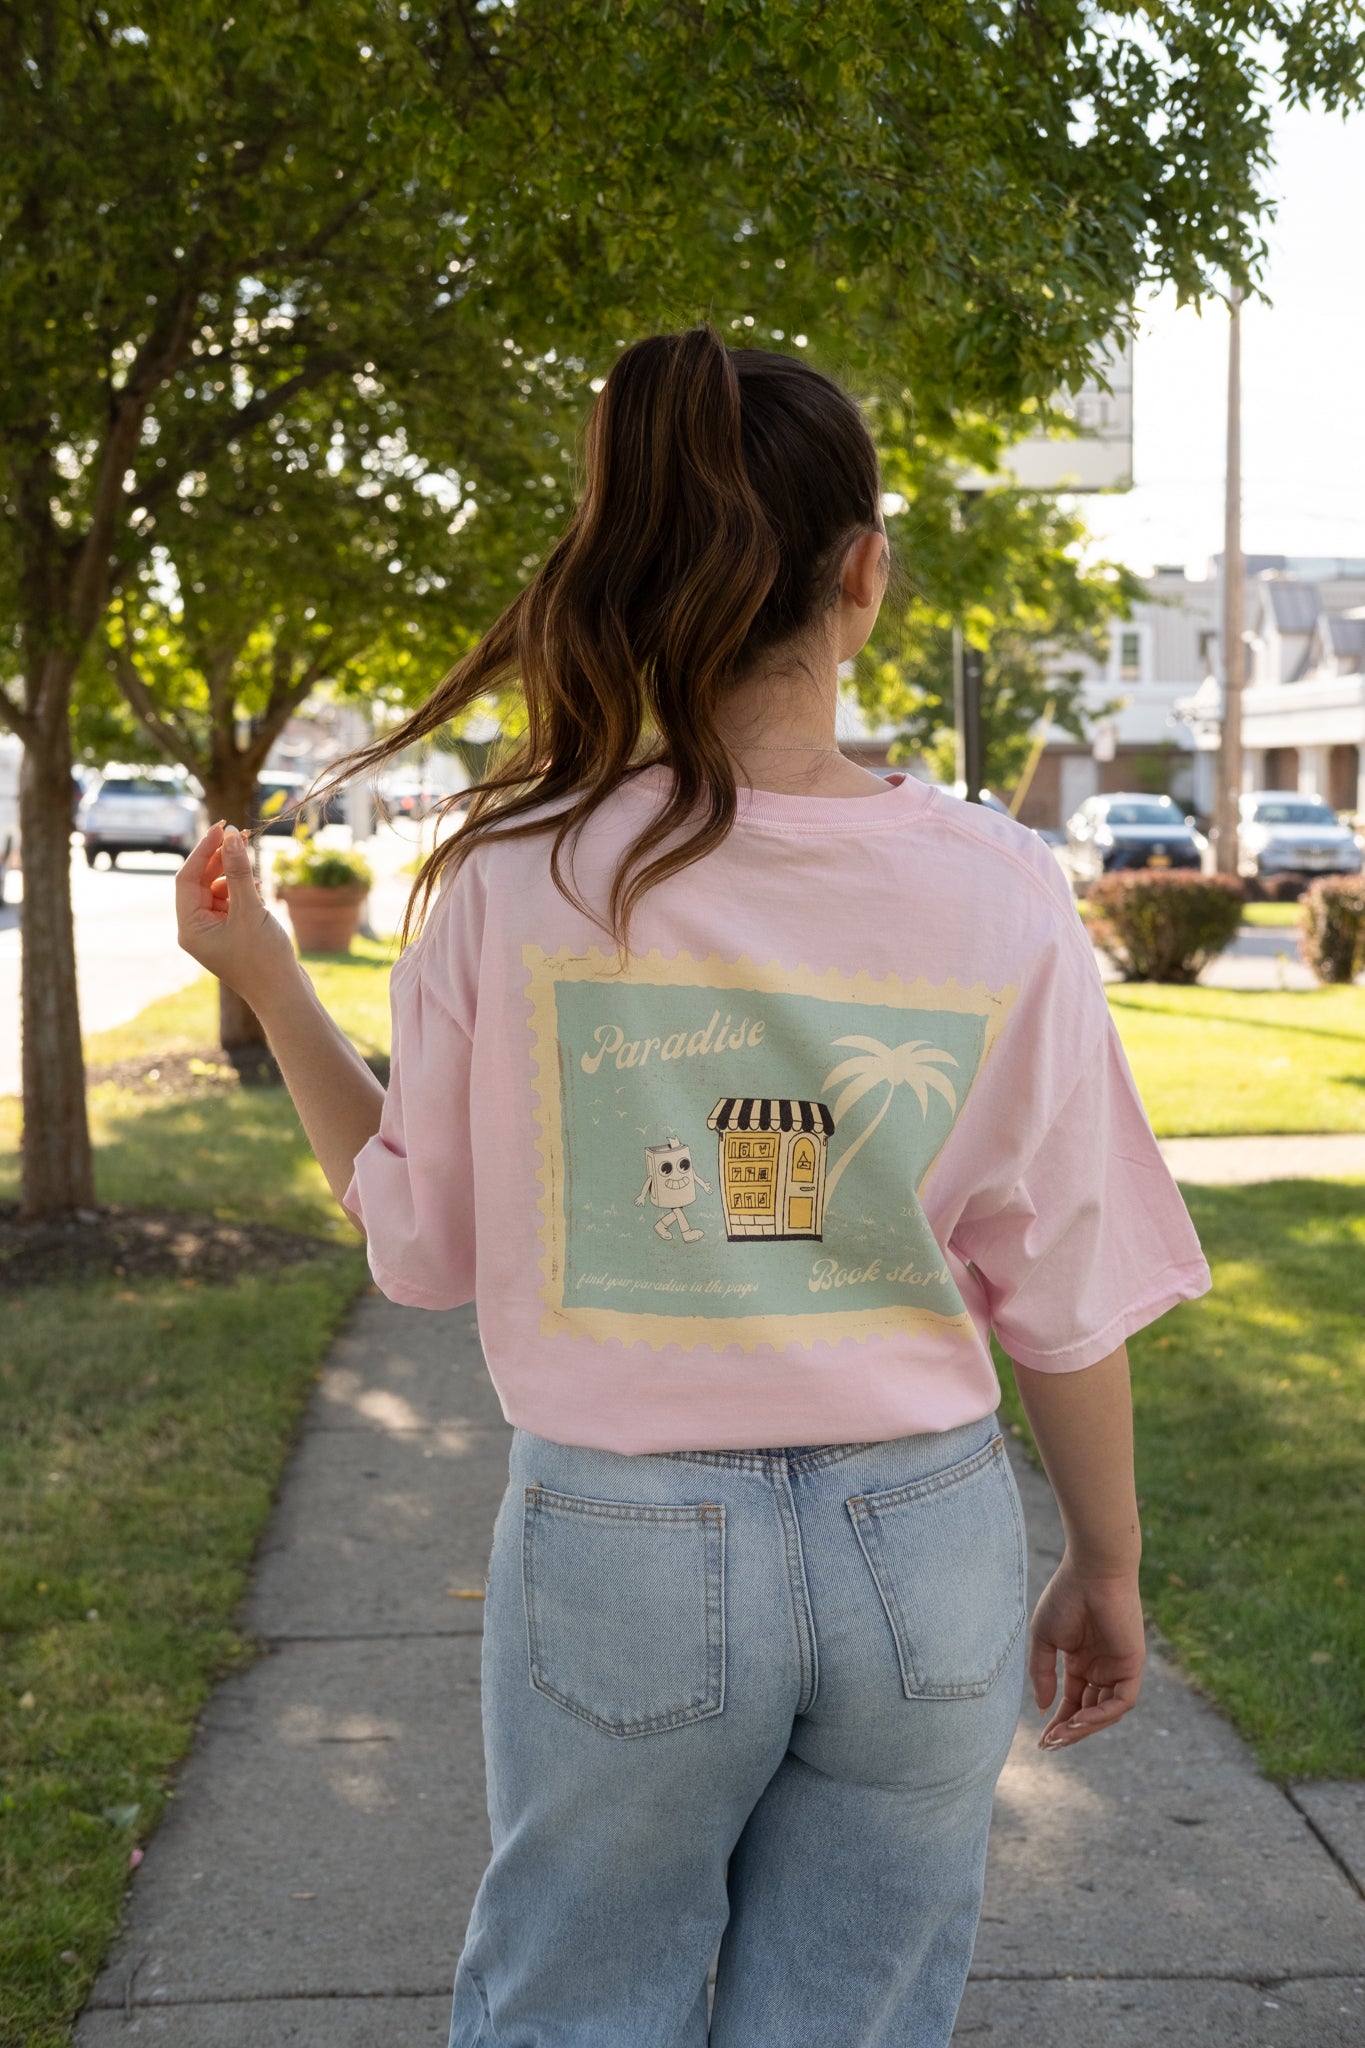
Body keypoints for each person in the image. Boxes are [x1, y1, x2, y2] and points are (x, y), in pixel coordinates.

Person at [175, 326, 1211, 2048]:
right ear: (864, 572)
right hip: (925, 1539)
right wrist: (1105, 1561)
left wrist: (273, 983)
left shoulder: (513, 873)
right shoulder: (1002, 892)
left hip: (621, 1546)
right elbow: (1062, 1279)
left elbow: (419, 1246)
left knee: (577, 2006)